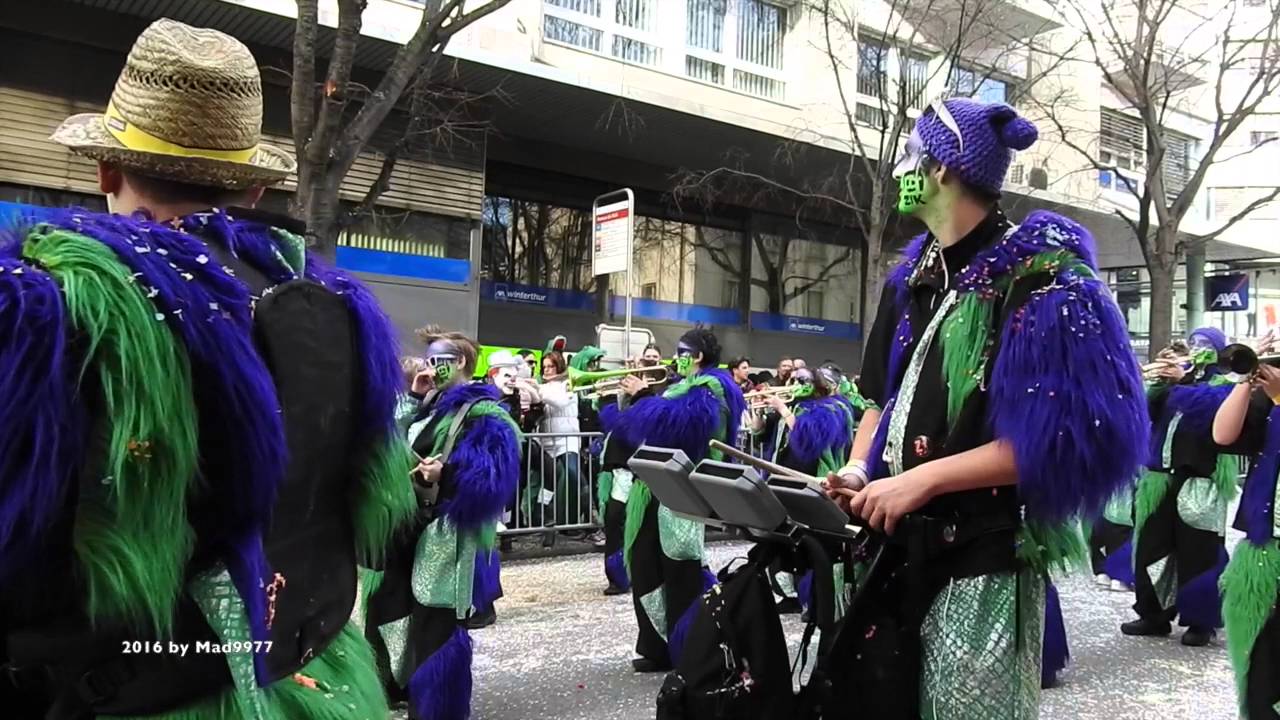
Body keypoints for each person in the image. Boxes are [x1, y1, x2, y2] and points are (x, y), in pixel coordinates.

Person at [0, 19, 416, 719]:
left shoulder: (45, 301)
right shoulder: (336, 309)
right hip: (317, 682)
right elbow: (366, 503)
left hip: (122, 693)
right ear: (248, 190)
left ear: (105, 169)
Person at [822, 98, 1146, 718]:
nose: (898, 171)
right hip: (889, 550)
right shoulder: (909, 279)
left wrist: (922, 480)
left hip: (981, 559)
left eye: (911, 154)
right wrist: (862, 471)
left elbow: (1061, 440)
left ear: (943, 168)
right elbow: (880, 399)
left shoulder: (1046, 279)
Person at [365, 327, 520, 720]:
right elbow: (389, 443)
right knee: (389, 610)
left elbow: (494, 481)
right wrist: (415, 396)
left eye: (439, 361)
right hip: (407, 529)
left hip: (445, 536)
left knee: (438, 627)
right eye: (429, 360)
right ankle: (400, 689)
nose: (432, 368)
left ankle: (439, 711)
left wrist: (446, 474)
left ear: (462, 363)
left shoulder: (486, 414)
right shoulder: (429, 406)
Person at [610, 327, 748, 672]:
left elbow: (679, 429)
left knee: (681, 568)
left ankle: (693, 646)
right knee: (645, 566)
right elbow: (634, 429)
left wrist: (644, 397)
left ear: (698, 356)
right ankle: (659, 645)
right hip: (657, 487)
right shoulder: (685, 386)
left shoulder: (711, 388)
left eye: (683, 352)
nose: (677, 358)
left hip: (682, 493)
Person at [1119, 327, 1237, 647]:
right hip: (1159, 478)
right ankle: (1153, 615)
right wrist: (1156, 380)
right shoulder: (1176, 383)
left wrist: (1181, 380)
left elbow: (1205, 412)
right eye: (1194, 342)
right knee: (1150, 550)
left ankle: (1201, 622)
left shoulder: (1224, 385)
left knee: (1199, 554)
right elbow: (1142, 411)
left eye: (1205, 344)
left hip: (1200, 480)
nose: (1196, 348)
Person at [1211, 355, 1280, 719]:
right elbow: (1223, 434)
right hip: (1265, 549)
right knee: (1260, 670)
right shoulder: (1271, 399)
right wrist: (1245, 380)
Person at [536, 351, 585, 528]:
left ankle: (573, 519)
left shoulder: (568, 383)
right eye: (545, 367)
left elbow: (561, 402)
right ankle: (542, 514)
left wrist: (536, 390)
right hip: (547, 441)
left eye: (551, 366)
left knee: (572, 474)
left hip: (567, 439)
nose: (547, 370)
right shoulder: (542, 386)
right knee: (550, 481)